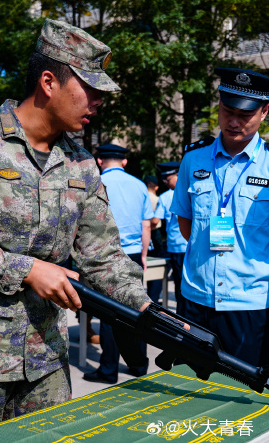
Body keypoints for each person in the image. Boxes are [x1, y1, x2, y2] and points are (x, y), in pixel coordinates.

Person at [0, 19, 153, 441]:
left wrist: (148, 311)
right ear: (49, 81)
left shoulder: (81, 163)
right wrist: (27, 270)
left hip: (45, 364)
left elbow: (104, 257)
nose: (98, 101)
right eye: (89, 90)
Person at [171, 67, 269, 367]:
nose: (233, 122)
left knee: (243, 399)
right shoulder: (193, 159)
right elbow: (187, 224)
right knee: (187, 395)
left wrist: (255, 266)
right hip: (195, 301)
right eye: (226, 111)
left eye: (244, 115)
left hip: (248, 307)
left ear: (264, 112)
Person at [82, 143, 153, 384]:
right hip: (132, 253)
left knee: (109, 316)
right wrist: (143, 255)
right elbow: (146, 225)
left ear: (100, 161)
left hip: (103, 255)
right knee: (137, 309)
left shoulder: (94, 183)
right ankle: (139, 365)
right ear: (124, 162)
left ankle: (108, 369)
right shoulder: (139, 185)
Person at [151, 161, 188, 315]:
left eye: (168, 179)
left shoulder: (166, 197)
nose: (165, 182)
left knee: (180, 287)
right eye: (164, 180)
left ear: (178, 175)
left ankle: (182, 318)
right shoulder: (191, 191)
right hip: (188, 246)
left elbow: (155, 220)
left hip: (177, 246)